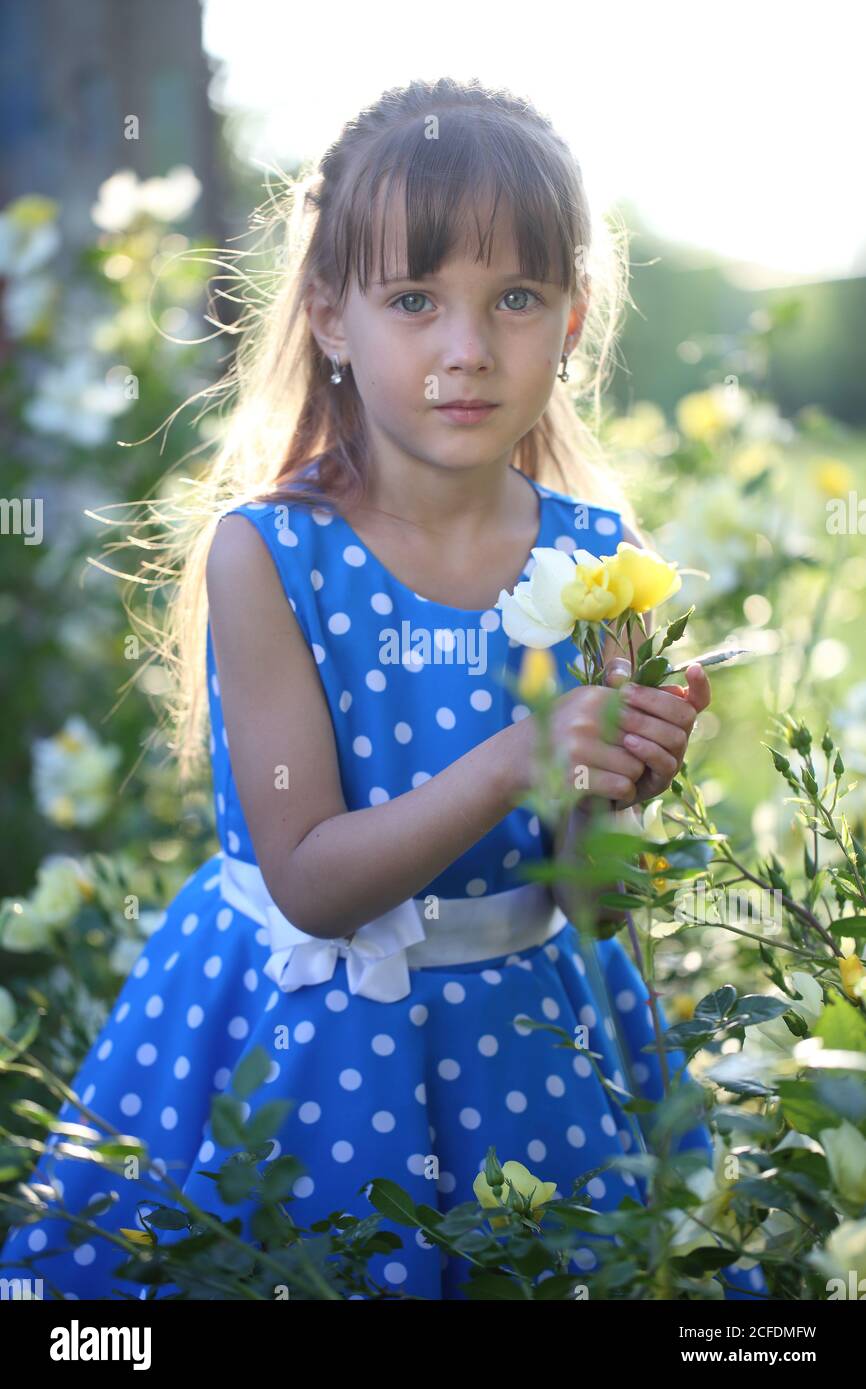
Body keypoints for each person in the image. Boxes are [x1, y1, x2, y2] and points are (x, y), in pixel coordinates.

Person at [0, 76, 766, 1301]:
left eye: (515, 297)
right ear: (332, 319)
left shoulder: (594, 557)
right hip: (309, 1041)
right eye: (415, 299)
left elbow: (590, 905)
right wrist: (523, 755)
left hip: (522, 1036)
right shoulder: (272, 555)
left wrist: (616, 790)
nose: (466, 348)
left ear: (569, 321)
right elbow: (308, 882)